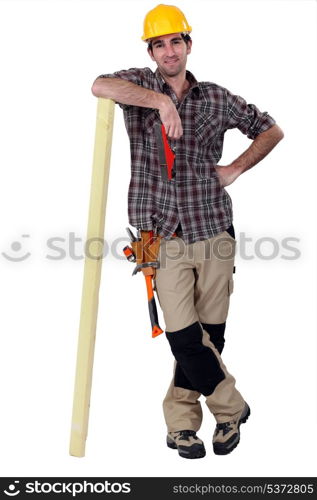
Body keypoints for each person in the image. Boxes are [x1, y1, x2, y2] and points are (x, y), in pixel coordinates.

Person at [91, 4, 284, 459]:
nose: (169, 51)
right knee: (182, 333)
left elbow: (270, 130)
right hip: (161, 237)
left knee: (209, 336)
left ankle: (180, 426)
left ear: (189, 44)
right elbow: (98, 85)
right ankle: (231, 407)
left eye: (176, 41)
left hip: (214, 229)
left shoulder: (216, 98)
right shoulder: (136, 85)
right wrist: (159, 101)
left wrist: (235, 167)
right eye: (159, 44)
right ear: (152, 51)